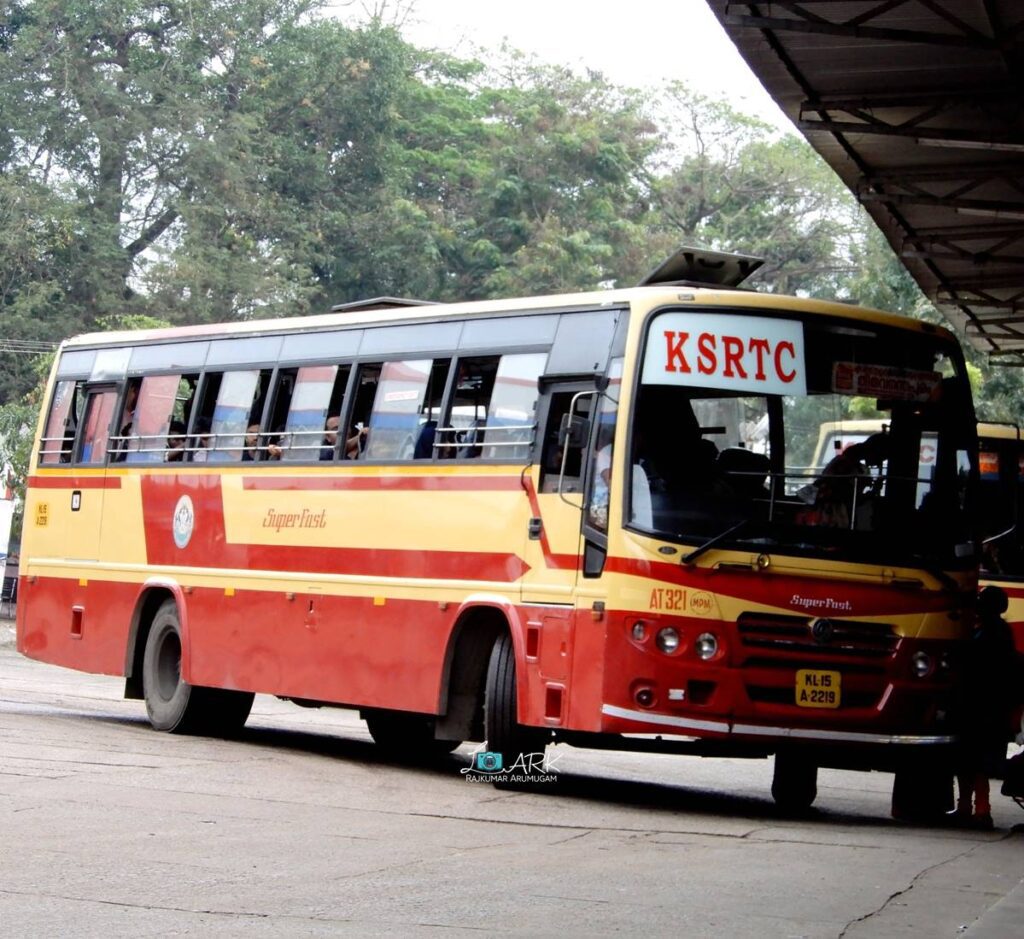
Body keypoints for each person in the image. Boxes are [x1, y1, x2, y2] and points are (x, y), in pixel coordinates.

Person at [950, 585, 1019, 829]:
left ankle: (974, 809)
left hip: (978, 709)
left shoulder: (983, 636)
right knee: (978, 762)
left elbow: (969, 670)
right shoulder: (1004, 634)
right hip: (995, 710)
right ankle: (976, 808)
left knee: (971, 761)